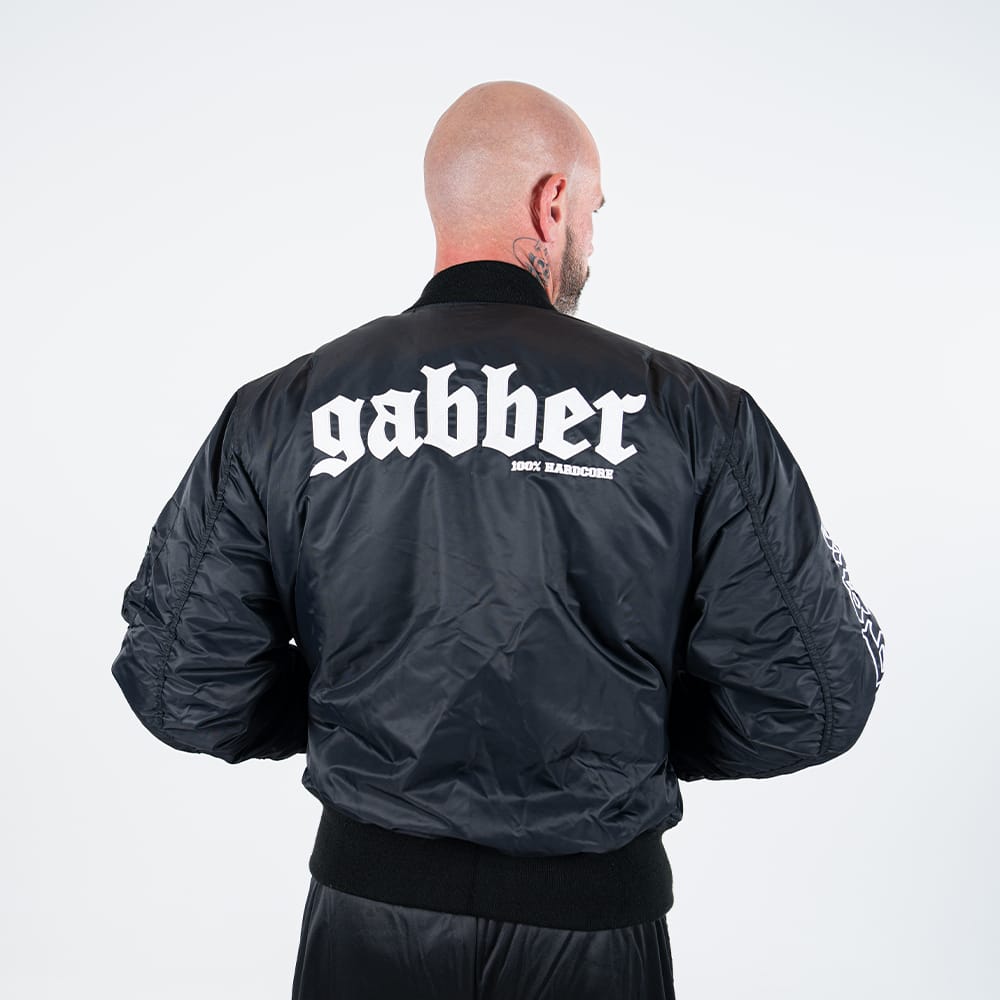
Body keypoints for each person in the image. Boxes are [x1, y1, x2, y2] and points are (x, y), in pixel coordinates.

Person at [110, 80, 885, 1000]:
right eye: (594, 211)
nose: (591, 238)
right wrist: (626, 735)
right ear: (552, 201)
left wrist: (349, 717)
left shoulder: (281, 411)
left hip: (367, 915)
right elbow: (810, 698)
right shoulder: (695, 416)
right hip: (595, 925)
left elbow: (184, 686)